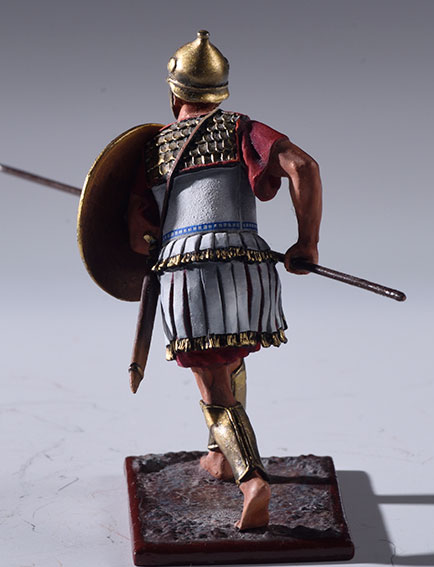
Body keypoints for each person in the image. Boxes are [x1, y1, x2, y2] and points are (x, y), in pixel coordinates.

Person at [127, 30, 322, 530]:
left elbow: (138, 238)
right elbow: (302, 166)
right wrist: (306, 243)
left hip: (189, 272)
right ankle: (220, 453)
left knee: (212, 383)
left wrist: (147, 234)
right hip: (248, 269)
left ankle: (253, 480)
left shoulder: (153, 150)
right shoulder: (242, 129)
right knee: (229, 358)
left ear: (174, 94)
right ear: (220, 92)